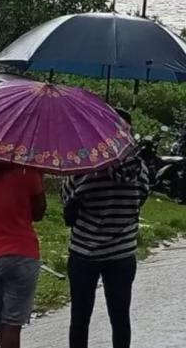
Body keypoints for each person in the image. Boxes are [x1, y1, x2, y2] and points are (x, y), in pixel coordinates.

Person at [61, 110, 150, 348]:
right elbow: (141, 198)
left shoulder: (84, 169)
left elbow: (67, 204)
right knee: (120, 316)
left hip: (84, 253)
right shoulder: (139, 168)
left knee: (80, 316)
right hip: (122, 253)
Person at [0, 162, 46, 348]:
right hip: (20, 254)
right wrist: (39, 178)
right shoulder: (28, 172)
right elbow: (38, 213)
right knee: (11, 325)